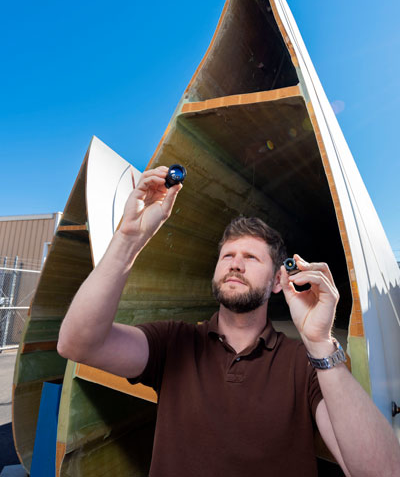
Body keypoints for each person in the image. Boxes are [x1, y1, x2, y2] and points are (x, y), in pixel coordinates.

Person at [58, 166, 400, 477]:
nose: (235, 264)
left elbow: (380, 471)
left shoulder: (305, 365)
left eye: (251, 257)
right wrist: (129, 239)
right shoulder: (173, 343)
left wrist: (321, 344)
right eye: (227, 256)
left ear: (279, 281)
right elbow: (77, 344)